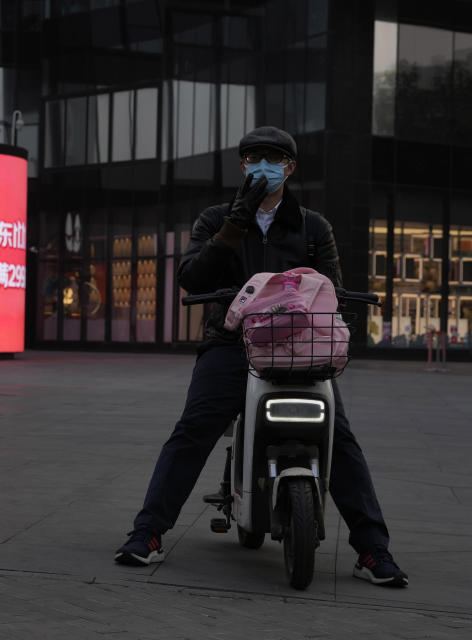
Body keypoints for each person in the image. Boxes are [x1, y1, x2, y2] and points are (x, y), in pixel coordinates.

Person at [113, 126, 409, 588]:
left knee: (342, 439)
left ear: (290, 168)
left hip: (299, 348)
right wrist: (237, 221)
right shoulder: (216, 219)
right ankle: (147, 532)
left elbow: (330, 288)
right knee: (193, 429)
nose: (263, 166)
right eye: (254, 158)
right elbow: (193, 276)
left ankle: (372, 551)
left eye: (274, 158)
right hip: (231, 344)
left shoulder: (313, 226)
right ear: (242, 165)